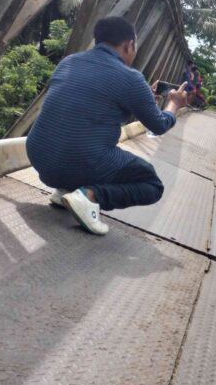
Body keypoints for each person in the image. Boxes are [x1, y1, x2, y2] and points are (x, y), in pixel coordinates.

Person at [26, 16, 187, 235]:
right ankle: (90, 196)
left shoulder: (69, 61)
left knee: (79, 139)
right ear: (129, 44)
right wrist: (173, 104)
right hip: (77, 161)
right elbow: (159, 125)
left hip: (39, 159)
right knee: (152, 184)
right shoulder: (131, 78)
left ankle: (64, 190)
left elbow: (87, 103)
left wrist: (140, 98)